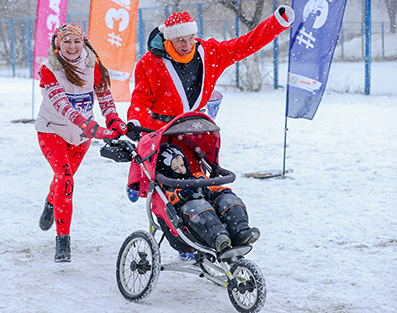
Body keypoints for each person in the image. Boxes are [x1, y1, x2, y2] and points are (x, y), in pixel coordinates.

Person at [126, 6, 295, 141]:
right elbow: (140, 99)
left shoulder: (209, 53)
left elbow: (244, 45)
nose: (187, 45)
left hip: (194, 132)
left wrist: (276, 23)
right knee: (157, 180)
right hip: (159, 132)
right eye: (181, 40)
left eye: (191, 38)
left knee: (199, 179)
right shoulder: (149, 63)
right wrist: (135, 121)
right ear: (169, 39)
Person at [35, 23, 127, 263]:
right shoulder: (48, 70)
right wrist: (94, 129)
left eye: (77, 41)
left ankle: (50, 202)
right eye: (66, 41)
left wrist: (113, 119)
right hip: (52, 130)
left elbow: (105, 96)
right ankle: (63, 241)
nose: (72, 46)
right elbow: (63, 107)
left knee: (63, 179)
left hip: (81, 137)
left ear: (84, 42)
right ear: (58, 44)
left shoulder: (93, 65)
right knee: (65, 178)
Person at [156, 143, 260, 255]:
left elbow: (212, 187)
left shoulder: (197, 177)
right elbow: (169, 199)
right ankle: (219, 238)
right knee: (199, 207)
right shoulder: (168, 186)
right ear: (167, 170)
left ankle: (240, 232)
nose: (181, 170)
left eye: (182, 165)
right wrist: (181, 195)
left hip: (210, 209)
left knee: (229, 201)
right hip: (191, 220)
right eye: (175, 168)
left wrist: (223, 192)